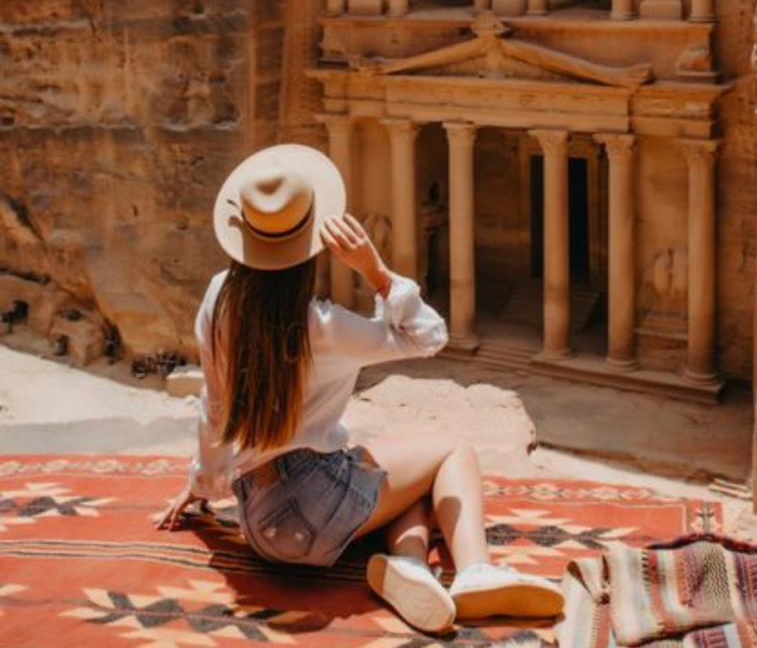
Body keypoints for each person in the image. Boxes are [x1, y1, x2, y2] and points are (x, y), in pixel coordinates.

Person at [155, 144, 563, 633]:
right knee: (452, 452)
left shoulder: (218, 299)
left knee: (400, 478)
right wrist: (375, 270)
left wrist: (201, 484)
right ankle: (476, 570)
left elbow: (214, 409)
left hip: (261, 524)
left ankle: (409, 566)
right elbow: (429, 336)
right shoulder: (324, 327)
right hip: (319, 506)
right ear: (312, 242)